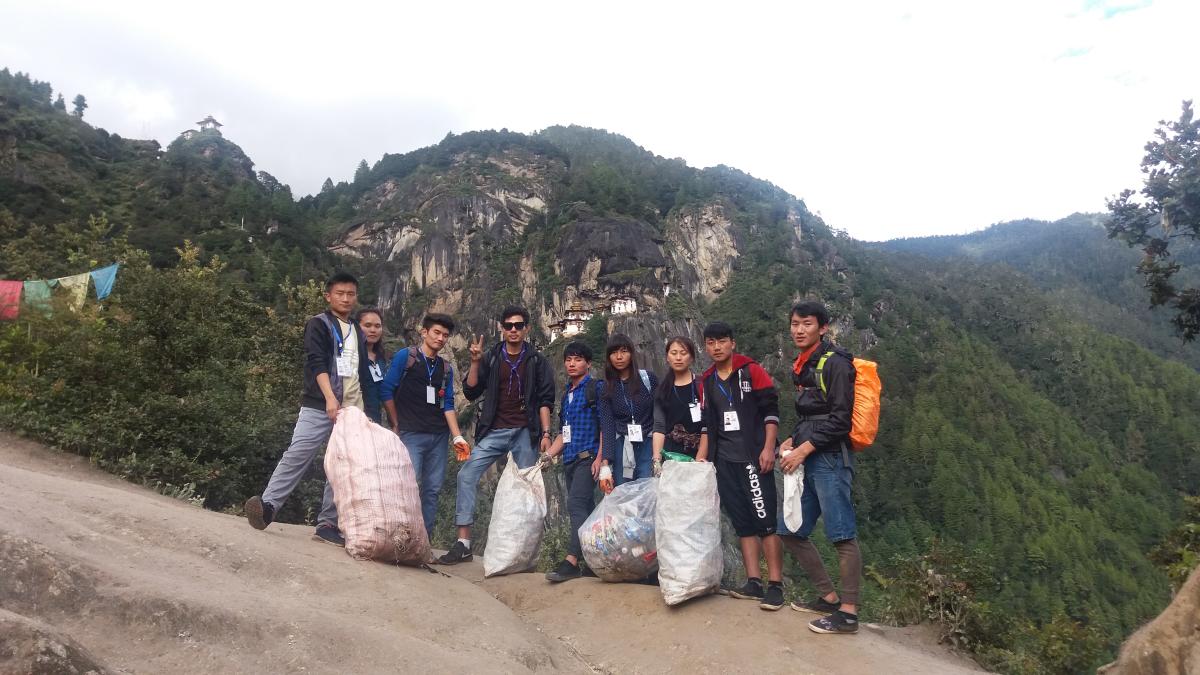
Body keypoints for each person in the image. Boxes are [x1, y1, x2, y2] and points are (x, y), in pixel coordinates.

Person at [243, 272, 372, 547]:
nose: (346, 298)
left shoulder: (359, 332)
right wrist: (329, 398)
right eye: (340, 293)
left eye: (351, 294)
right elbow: (317, 363)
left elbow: (362, 373)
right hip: (319, 404)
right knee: (298, 452)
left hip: (352, 410)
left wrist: (367, 412)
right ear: (328, 296)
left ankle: (328, 523)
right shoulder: (319, 324)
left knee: (341, 467)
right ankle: (267, 508)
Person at [437, 306, 555, 564]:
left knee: (526, 489)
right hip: (495, 429)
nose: (514, 330)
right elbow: (470, 392)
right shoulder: (491, 357)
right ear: (501, 328)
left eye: (519, 325)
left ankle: (523, 551)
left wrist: (546, 433)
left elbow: (546, 400)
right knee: (466, 474)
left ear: (527, 329)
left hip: (526, 431)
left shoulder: (536, 361)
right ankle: (464, 543)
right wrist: (476, 361)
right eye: (509, 325)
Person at [777, 301, 862, 634]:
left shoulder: (837, 364)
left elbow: (840, 420)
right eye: (795, 324)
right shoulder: (802, 364)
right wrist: (790, 440)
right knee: (790, 531)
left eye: (807, 324)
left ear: (823, 328)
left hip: (829, 459)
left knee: (841, 533)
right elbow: (811, 416)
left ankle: (849, 611)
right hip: (808, 455)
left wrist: (802, 451)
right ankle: (828, 596)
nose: (799, 330)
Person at [697, 321, 785, 611]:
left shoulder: (751, 370)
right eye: (710, 342)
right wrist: (705, 459)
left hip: (753, 457)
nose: (716, 347)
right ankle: (754, 582)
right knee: (743, 524)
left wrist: (768, 447)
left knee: (766, 521)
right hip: (726, 461)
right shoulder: (707, 381)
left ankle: (775, 585)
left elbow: (771, 411)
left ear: (732, 343)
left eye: (721, 341)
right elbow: (708, 425)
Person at [380, 313, 470, 543]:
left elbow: (448, 404)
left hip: (438, 437)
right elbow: (387, 390)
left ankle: (423, 542)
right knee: (406, 487)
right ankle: (398, 539)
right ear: (424, 332)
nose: (440, 339)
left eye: (445, 336)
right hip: (410, 433)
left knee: (432, 491)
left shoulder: (446, 368)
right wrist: (395, 424)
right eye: (436, 333)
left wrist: (457, 437)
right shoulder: (406, 357)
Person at [543, 341, 604, 582]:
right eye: (568, 359)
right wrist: (548, 456)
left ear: (588, 364)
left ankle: (571, 561)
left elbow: (604, 424)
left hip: (588, 458)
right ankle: (594, 561)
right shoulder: (567, 394)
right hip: (569, 459)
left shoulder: (595, 388)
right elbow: (562, 433)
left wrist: (601, 458)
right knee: (586, 510)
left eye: (578, 359)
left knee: (576, 505)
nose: (571, 363)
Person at [597, 334, 658, 486]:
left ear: (631, 353)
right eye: (614, 352)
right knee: (623, 493)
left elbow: (659, 413)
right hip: (621, 445)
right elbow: (607, 424)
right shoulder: (607, 387)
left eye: (624, 351)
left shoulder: (648, 379)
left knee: (647, 489)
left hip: (648, 442)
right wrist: (606, 463)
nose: (619, 357)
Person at [651, 336, 706, 473]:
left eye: (683, 353)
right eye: (674, 353)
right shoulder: (662, 390)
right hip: (671, 455)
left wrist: (699, 460)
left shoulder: (702, 385)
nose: (678, 358)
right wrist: (657, 460)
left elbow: (708, 425)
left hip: (699, 452)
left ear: (691, 357)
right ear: (667, 357)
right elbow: (659, 427)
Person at [357, 308, 390, 426]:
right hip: (356, 417)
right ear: (357, 327)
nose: (373, 330)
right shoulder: (353, 355)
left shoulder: (381, 358)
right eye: (367, 325)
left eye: (377, 326)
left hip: (376, 419)